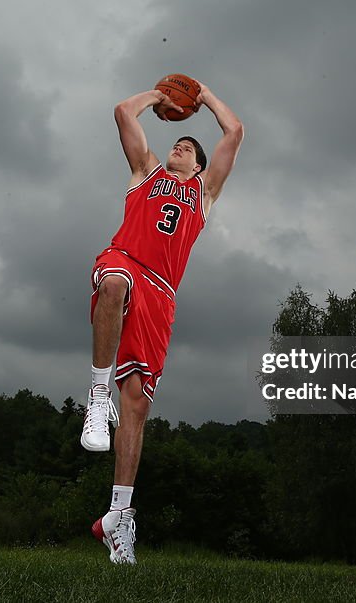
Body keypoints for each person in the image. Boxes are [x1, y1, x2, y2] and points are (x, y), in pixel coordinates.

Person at [80, 80, 244, 564]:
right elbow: (121, 112)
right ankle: (96, 395)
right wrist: (156, 96)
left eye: (190, 147)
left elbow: (234, 131)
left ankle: (118, 517)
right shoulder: (144, 171)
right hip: (125, 260)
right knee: (112, 283)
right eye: (178, 141)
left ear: (198, 166)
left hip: (162, 294)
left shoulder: (204, 192)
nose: (183, 147)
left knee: (137, 407)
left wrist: (206, 94)